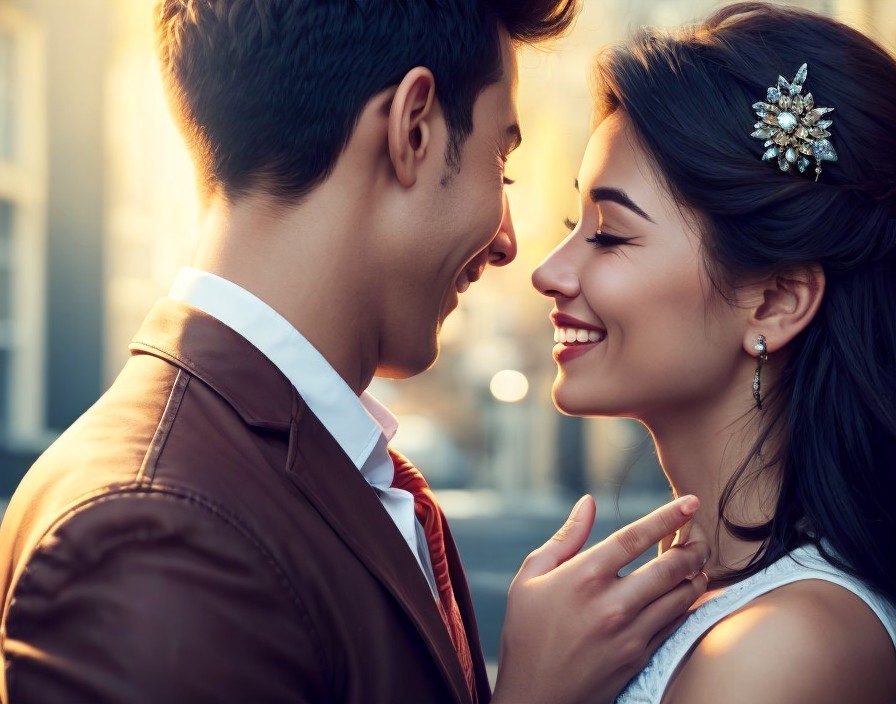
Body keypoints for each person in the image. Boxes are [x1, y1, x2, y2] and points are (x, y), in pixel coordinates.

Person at [0, 1, 712, 703]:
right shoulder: (151, 533)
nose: (507, 244)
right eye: (502, 164)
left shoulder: (295, 461)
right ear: (414, 128)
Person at [532, 3, 896, 702]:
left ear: (775, 302)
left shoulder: (785, 649)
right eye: (572, 226)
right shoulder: (707, 603)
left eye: (608, 235)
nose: (549, 271)